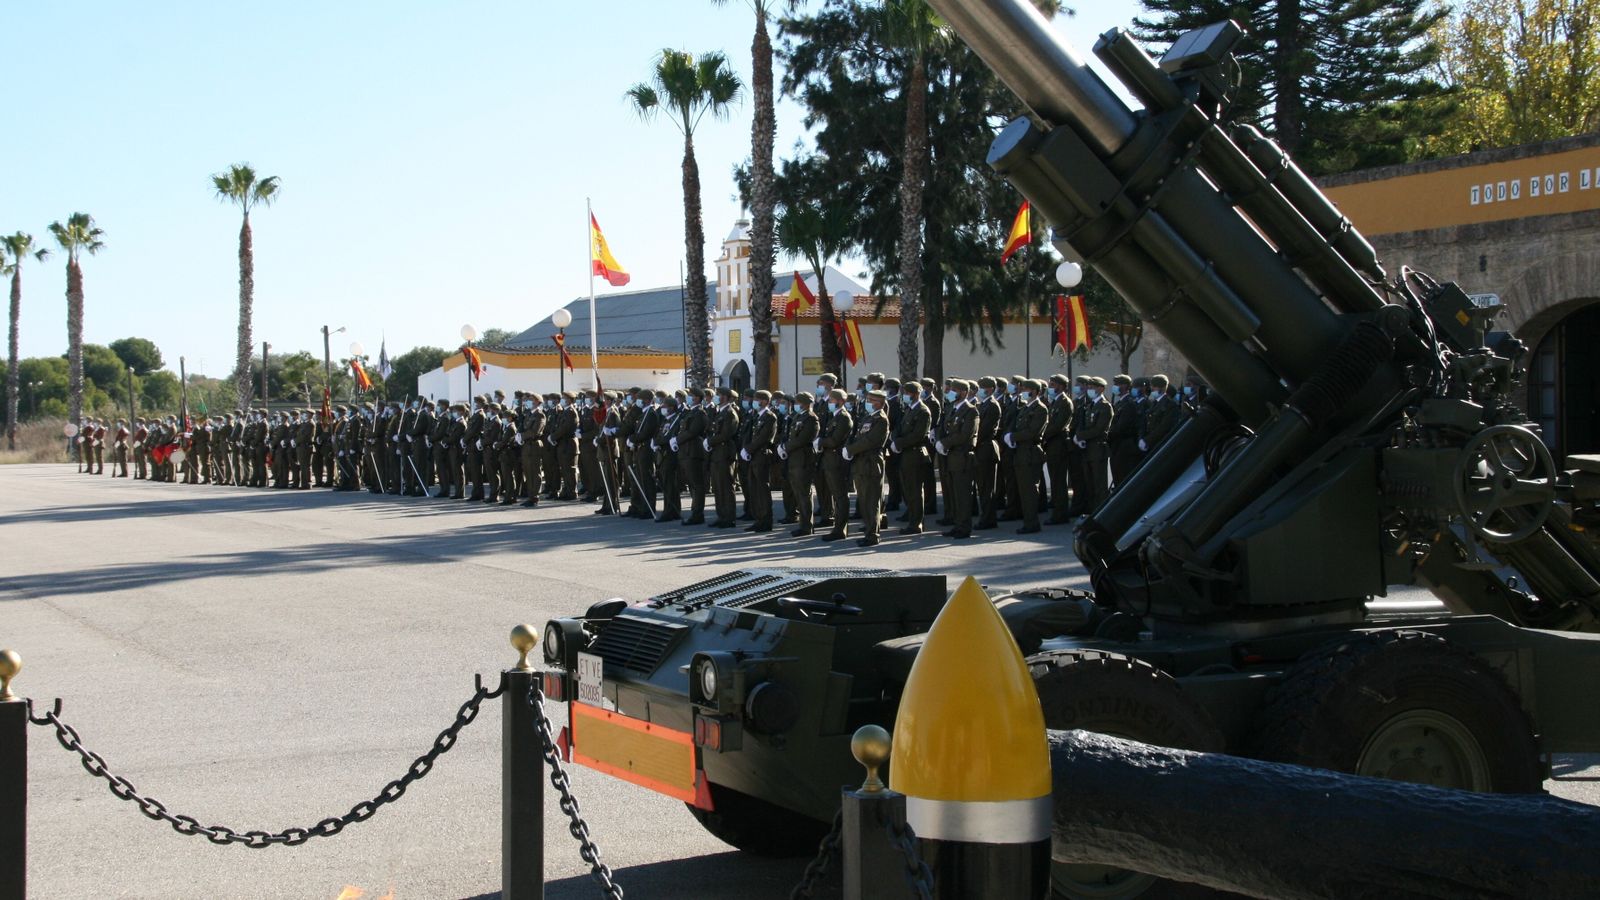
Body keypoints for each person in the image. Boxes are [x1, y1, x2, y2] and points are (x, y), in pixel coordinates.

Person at [847, 388, 890, 547]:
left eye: (871, 400)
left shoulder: (881, 420)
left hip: (871, 463)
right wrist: (849, 448)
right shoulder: (868, 418)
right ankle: (868, 531)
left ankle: (873, 535)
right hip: (861, 462)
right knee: (864, 500)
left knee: (872, 501)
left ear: (879, 403)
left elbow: (869, 441)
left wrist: (851, 450)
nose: (868, 402)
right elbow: (858, 437)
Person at [938, 379, 978, 538]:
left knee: (962, 495)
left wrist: (945, 443)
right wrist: (941, 441)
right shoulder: (952, 409)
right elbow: (945, 428)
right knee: (954, 494)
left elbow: (964, 435)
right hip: (951, 457)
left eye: (954, 390)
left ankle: (964, 527)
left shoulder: (971, 411)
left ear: (963, 392)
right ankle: (957, 524)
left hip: (962, 457)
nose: (950, 393)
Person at [1010, 379, 1049, 534]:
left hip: (1031, 453)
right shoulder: (1025, 408)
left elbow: (1032, 432)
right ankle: (1028, 521)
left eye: (1026, 389)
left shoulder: (1040, 409)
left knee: (1030, 490)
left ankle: (1032, 523)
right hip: (1021, 453)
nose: (1023, 391)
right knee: (1023, 490)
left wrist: (1012, 437)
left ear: (1035, 391)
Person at [892, 381, 931, 535]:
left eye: (907, 393)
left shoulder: (923, 411)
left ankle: (916, 523)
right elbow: (899, 428)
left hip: (915, 454)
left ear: (915, 394)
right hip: (906, 454)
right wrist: (895, 440)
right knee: (908, 490)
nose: (904, 396)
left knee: (915, 491)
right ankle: (912, 519)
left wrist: (899, 443)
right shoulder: (909, 409)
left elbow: (917, 435)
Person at [819, 388, 854, 541]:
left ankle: (840, 529)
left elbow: (834, 441)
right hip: (830, 461)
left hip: (838, 462)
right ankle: (838, 527)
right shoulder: (835, 416)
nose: (829, 402)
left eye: (832, 400)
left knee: (840, 496)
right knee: (836, 495)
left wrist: (820, 442)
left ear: (840, 401)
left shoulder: (844, 418)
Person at [782, 392, 818, 536]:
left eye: (797, 402)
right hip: (794, 459)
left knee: (804, 494)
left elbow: (803, 439)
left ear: (804, 403)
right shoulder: (798, 417)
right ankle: (803, 524)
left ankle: (807, 526)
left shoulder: (811, 418)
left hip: (803, 460)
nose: (795, 405)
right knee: (798, 493)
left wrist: (786, 447)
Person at [741, 390, 778, 532]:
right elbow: (750, 435)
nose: (754, 402)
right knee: (754, 489)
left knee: (762, 490)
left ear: (765, 401)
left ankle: (766, 521)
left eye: (758, 399)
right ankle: (759, 519)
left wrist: (748, 449)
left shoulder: (770, 417)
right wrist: (746, 449)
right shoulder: (757, 416)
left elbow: (763, 437)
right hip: (754, 456)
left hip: (762, 455)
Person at [1042, 373, 1076, 524]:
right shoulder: (1055, 402)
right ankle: (1057, 511)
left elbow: (1058, 425)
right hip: (1052, 444)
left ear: (1061, 386)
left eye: (1053, 385)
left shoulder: (1065, 402)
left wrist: (1042, 434)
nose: (1050, 387)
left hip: (1059, 445)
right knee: (1055, 480)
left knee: (1059, 481)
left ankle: (1060, 514)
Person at [1077, 376, 1114, 513]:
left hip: (1098, 449)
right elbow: (1083, 424)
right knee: (1090, 484)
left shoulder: (1105, 406)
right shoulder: (1090, 405)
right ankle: (1092, 511)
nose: (1090, 389)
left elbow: (1099, 429)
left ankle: (1102, 512)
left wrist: (1081, 436)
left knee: (1099, 484)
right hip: (1087, 449)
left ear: (1101, 388)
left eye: (1093, 387)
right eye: (1089, 387)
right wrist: (1079, 436)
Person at [707, 387, 741, 528]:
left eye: (719, 395)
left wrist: (710, 441)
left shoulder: (730, 413)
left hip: (725, 453)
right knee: (717, 486)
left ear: (725, 397)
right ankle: (721, 515)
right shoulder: (720, 412)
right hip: (717, 453)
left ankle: (729, 517)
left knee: (726, 486)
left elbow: (726, 434)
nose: (716, 397)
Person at [973, 377, 1002, 530]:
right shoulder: (982, 405)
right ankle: (987, 516)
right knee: (982, 487)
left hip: (986, 449)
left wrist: (971, 441)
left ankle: (988, 519)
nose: (979, 390)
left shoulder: (992, 406)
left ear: (990, 389)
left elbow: (984, 430)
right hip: (980, 449)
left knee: (986, 487)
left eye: (982, 387)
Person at [1109, 375, 1143, 488]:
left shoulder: (1129, 403)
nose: (1115, 387)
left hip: (1124, 446)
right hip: (1116, 445)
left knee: (1122, 478)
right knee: (1117, 476)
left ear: (1124, 386)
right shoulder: (1120, 403)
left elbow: (1121, 427)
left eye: (1117, 384)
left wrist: (1107, 434)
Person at [655, 393, 684, 522]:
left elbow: (671, 436)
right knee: (667, 484)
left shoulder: (677, 420)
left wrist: (658, 441)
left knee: (670, 484)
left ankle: (670, 511)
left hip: (670, 455)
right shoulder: (666, 420)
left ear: (672, 407)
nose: (662, 407)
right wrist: (656, 441)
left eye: (665, 405)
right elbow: (661, 433)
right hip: (663, 454)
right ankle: (673, 510)